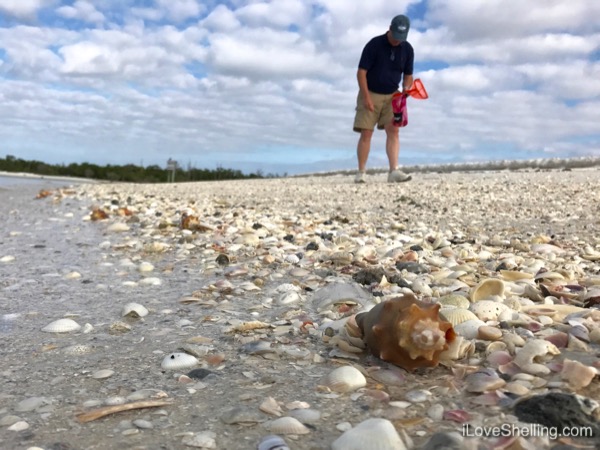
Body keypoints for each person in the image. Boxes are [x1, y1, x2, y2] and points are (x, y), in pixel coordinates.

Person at [353, 14, 414, 183]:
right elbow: (361, 73)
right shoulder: (374, 44)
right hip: (370, 91)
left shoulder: (407, 49)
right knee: (366, 132)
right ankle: (361, 172)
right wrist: (366, 97)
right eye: (395, 36)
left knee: (394, 131)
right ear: (390, 29)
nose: (397, 41)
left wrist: (406, 91)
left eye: (401, 38)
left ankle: (393, 171)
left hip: (393, 95)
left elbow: (408, 75)